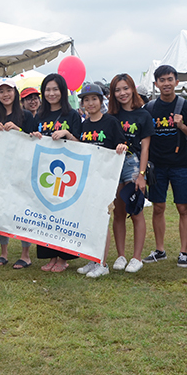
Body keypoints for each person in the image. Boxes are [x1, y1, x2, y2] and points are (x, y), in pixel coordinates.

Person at [143, 65, 187, 268]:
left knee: (183, 206)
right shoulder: (149, 108)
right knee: (158, 207)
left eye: (170, 79)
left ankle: (183, 252)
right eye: (162, 80)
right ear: (156, 83)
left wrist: (182, 126)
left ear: (176, 81)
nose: (166, 83)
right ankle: (160, 250)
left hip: (179, 165)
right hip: (157, 166)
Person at [24, 73, 83, 273]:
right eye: (47, 90)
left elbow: (82, 146)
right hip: (44, 172)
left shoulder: (73, 115)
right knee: (45, 213)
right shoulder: (38, 116)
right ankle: (50, 256)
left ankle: (63, 258)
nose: (51, 93)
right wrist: (35, 136)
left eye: (55, 89)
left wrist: (66, 134)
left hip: (67, 173)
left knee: (63, 214)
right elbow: (30, 142)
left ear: (63, 91)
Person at [72, 84, 128, 278]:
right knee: (89, 220)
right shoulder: (83, 124)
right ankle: (92, 258)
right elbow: (80, 148)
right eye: (86, 100)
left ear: (102, 100)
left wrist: (121, 146)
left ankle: (102, 263)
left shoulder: (111, 122)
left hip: (106, 179)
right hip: (88, 178)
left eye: (94, 99)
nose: (90, 103)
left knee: (102, 220)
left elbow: (122, 144)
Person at [105, 74, 153, 274]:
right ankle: (121, 255)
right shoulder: (110, 117)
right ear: (113, 94)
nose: (122, 93)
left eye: (125, 88)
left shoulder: (143, 115)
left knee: (136, 210)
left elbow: (146, 148)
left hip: (133, 165)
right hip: (114, 165)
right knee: (118, 211)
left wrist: (141, 174)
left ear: (132, 89)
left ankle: (137, 257)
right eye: (117, 90)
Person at [0, 77, 34, 269]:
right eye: (1, 91)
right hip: (1, 170)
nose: (5, 94)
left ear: (15, 93)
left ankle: (26, 254)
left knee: (23, 208)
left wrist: (18, 130)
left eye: (9, 90)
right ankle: (3, 252)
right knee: (2, 208)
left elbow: (34, 140)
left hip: (22, 169)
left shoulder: (27, 115)